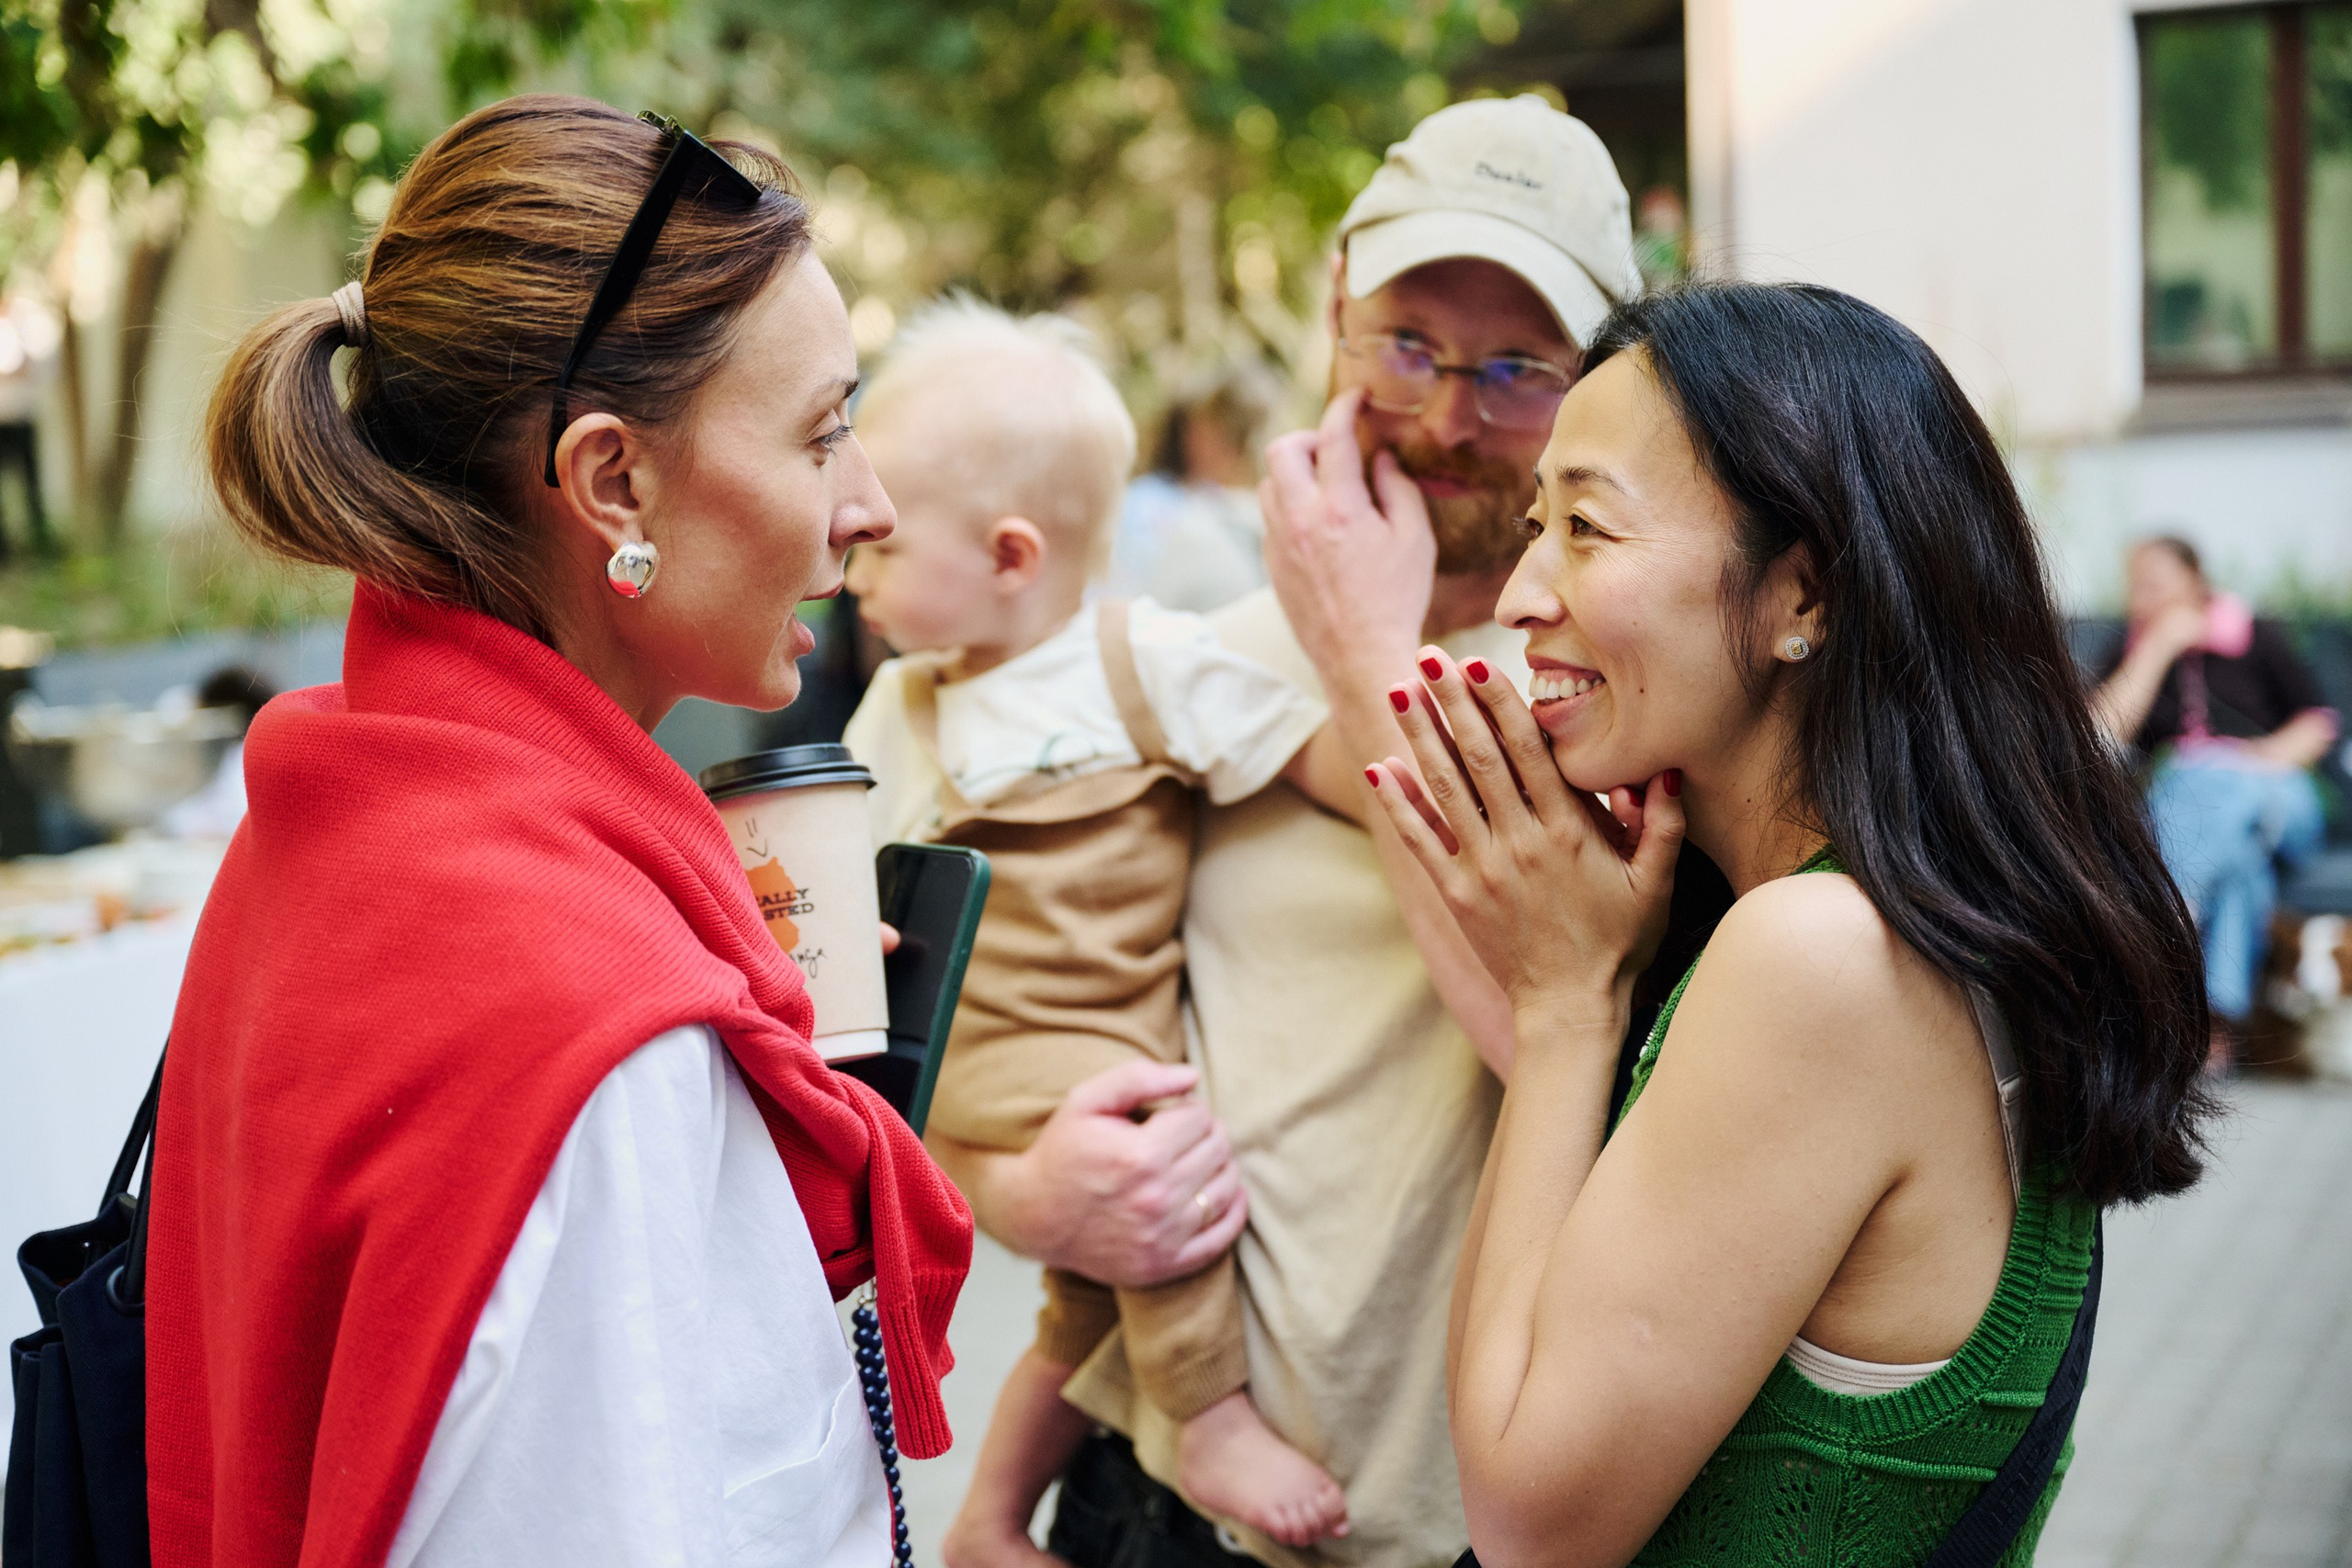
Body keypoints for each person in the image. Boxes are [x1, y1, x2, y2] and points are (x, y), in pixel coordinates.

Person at [146, 96, 971, 1568]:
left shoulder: (345, 813)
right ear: (613, 482)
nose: (873, 503)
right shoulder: (593, 1027)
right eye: (823, 430)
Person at [1284, 280, 2213, 1565]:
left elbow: (1529, 1522)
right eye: (1535, 520)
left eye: (1588, 530)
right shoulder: (1916, 921)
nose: (1521, 589)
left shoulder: (1820, 960)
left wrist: (1566, 1005)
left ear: (1803, 597)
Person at [927, 95, 1669, 1568]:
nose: (1452, 417)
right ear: (1335, 318)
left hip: (1440, 1521)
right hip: (1150, 1488)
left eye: (1520, 368)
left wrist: (1362, 657)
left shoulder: (1631, 699)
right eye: (1408, 344)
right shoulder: (1191, 663)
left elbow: (1567, 1048)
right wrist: (1013, 1187)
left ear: (1605, 383)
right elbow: (1037, 990)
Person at [840, 299, 1362, 1560]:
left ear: (1013, 555)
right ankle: (1216, 1414)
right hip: (985, 1049)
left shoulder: (1145, 665)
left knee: (1085, 1310)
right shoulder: (900, 706)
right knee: (1156, 1154)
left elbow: (1322, 754)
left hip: (1081, 1036)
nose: (849, 562)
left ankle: (999, 1512)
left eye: (886, 547)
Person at [2092, 536, 2339, 1064]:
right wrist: (2156, 647)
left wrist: (2252, 761)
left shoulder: (2254, 634)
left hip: (2274, 790)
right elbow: (2102, 736)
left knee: (2211, 780)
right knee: (2240, 863)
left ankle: (2171, 907)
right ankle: (2214, 1028)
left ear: (2195, 581)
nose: (2144, 594)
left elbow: (2319, 723)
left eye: (2157, 582)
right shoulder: (2133, 648)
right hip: (2200, 808)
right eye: (2137, 584)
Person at [1104, 370, 1277, 613]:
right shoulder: (1150, 498)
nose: (1196, 443)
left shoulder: (1257, 520)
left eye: (1213, 435)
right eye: (1195, 431)